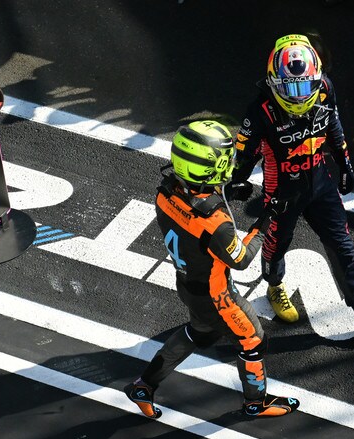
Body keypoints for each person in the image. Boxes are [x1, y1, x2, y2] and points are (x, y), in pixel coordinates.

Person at [225, 34, 354, 337]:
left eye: (304, 86)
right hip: (281, 189)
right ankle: (274, 285)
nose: (298, 96)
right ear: (273, 82)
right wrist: (238, 180)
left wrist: (344, 163)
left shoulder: (325, 88)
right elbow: (244, 153)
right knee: (276, 243)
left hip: (320, 182)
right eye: (290, 88)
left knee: (343, 246)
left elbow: (333, 124)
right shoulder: (260, 111)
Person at [125, 120, 299, 419]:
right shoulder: (215, 223)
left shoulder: (165, 192)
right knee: (253, 342)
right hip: (218, 296)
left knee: (199, 332)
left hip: (188, 285)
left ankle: (144, 386)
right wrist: (266, 220)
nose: (229, 165)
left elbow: (192, 207)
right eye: (223, 161)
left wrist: (226, 192)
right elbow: (241, 259)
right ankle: (256, 403)